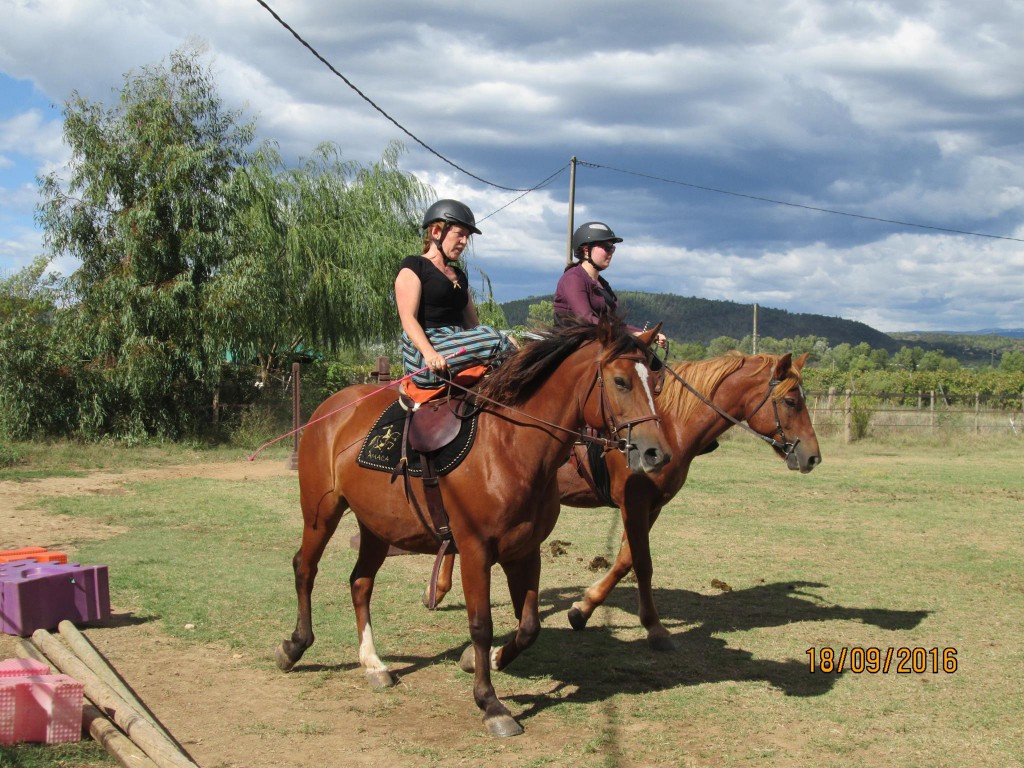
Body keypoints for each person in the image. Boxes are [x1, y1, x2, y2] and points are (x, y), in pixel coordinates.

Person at [395, 199, 516, 389]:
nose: (464, 242)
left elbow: (474, 326)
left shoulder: (459, 275)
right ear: (436, 232)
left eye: (467, 237)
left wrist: (504, 341)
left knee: (504, 341)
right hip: (428, 354)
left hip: (459, 345)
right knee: (495, 339)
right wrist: (429, 353)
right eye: (459, 234)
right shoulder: (414, 266)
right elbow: (408, 318)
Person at [554, 221, 667, 348]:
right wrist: (631, 334)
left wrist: (645, 334)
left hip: (596, 342)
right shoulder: (573, 278)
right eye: (606, 247)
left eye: (612, 248)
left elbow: (616, 324)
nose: (611, 252)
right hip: (569, 345)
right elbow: (585, 318)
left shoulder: (603, 284)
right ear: (586, 250)